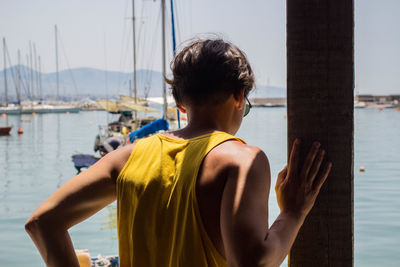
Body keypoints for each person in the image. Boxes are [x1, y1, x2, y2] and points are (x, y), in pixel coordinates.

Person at [25, 38, 332, 267]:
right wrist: (292, 212)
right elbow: (253, 262)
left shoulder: (127, 156)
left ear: (181, 104)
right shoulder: (243, 160)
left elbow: (42, 223)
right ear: (239, 95)